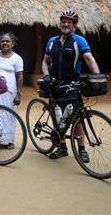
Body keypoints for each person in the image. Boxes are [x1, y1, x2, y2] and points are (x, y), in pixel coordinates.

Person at [41, 10, 101, 162]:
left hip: (72, 85)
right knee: (58, 117)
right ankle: (62, 147)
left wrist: (98, 76)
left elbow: (89, 58)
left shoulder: (79, 41)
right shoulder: (52, 41)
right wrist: (46, 75)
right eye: (63, 21)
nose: (66, 24)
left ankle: (81, 149)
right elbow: (45, 62)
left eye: (69, 22)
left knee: (76, 119)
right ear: (60, 23)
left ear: (74, 26)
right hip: (54, 85)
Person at [0, 33, 24, 149]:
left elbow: (20, 77)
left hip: (8, 91)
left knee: (8, 113)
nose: (5, 43)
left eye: (8, 41)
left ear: (13, 44)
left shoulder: (17, 58)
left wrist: (18, 94)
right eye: (3, 41)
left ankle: (9, 140)